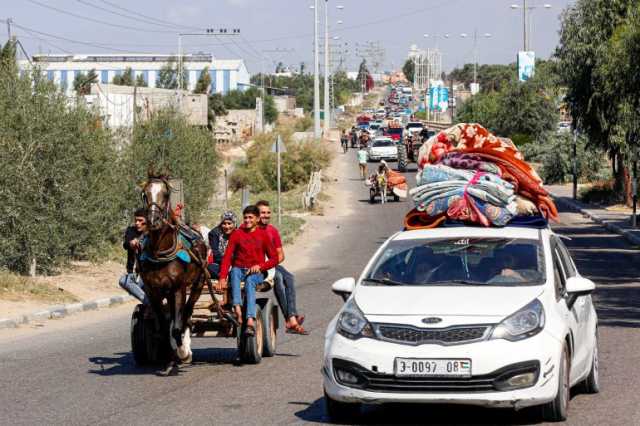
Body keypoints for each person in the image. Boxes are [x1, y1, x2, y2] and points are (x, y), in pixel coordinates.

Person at [217, 205, 278, 336]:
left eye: (251, 217)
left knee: (250, 282)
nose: (247, 220)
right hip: (239, 269)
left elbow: (275, 258)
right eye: (245, 217)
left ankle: (250, 320)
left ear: (257, 219)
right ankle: (237, 309)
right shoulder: (237, 234)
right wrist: (222, 277)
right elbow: (227, 257)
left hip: (256, 272)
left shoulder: (264, 235)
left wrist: (261, 266)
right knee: (233, 273)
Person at [256, 200, 307, 335]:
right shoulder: (251, 229)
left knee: (289, 277)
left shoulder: (272, 230)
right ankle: (290, 320)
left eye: (268, 213)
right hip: (256, 265)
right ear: (256, 214)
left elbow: (281, 255)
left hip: (271, 264)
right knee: (278, 277)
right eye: (263, 213)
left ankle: (292, 315)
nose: (266, 215)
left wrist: (270, 264)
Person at [118, 208, 148, 304]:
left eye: (140, 221)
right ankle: (149, 303)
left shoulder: (152, 233)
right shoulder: (131, 230)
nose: (137, 223)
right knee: (123, 281)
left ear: (147, 221)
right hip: (134, 274)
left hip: (147, 273)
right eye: (136, 220)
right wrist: (131, 243)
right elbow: (125, 244)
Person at [207, 211, 237, 279]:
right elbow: (216, 254)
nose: (227, 226)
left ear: (234, 224)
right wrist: (226, 265)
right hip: (219, 263)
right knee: (209, 268)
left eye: (229, 223)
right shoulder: (214, 234)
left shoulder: (238, 234)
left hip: (235, 264)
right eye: (224, 223)